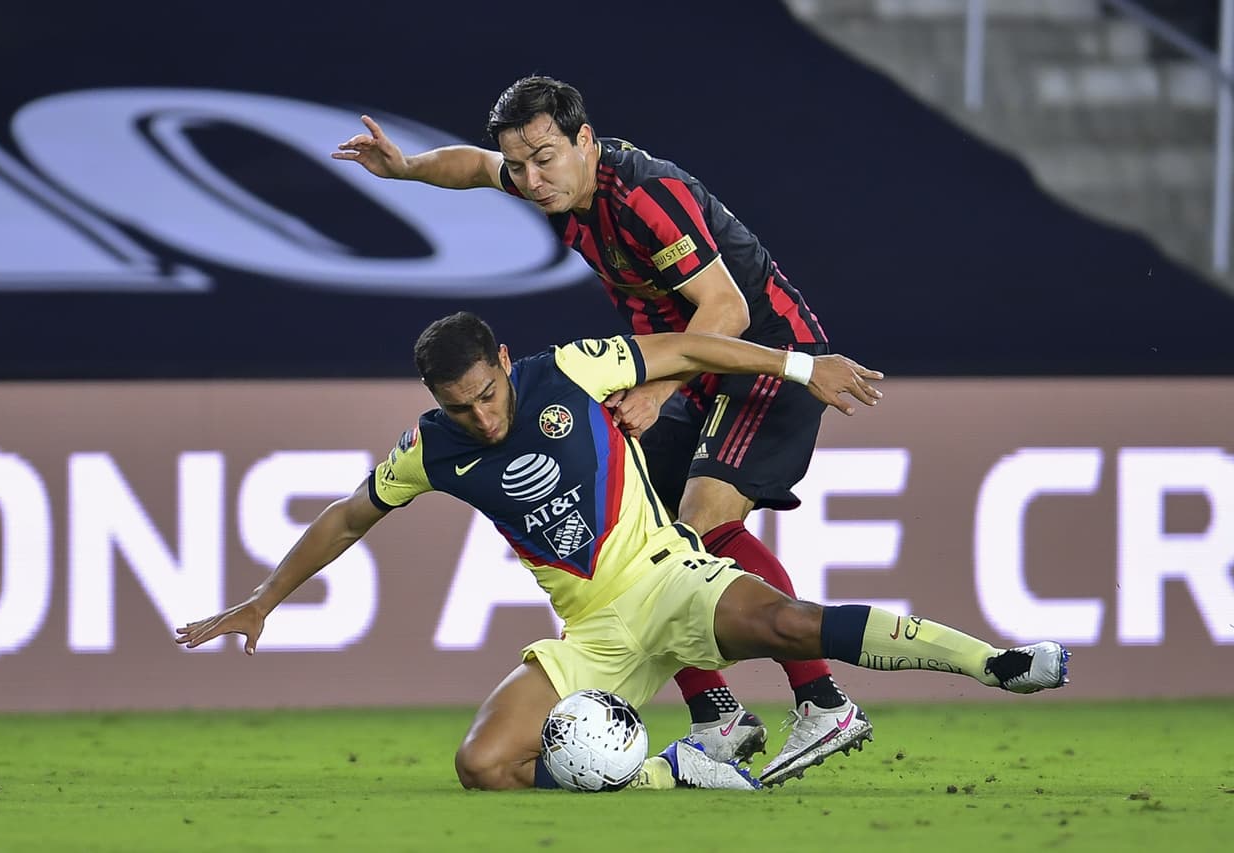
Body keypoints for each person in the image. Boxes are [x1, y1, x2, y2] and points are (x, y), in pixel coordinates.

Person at [176, 313, 1070, 792]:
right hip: (592, 633)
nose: (484, 418)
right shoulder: (431, 448)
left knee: (791, 623)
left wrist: (801, 367)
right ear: (435, 402)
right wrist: (264, 598)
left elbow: (683, 345)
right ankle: (675, 772)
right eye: (463, 408)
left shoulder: (569, 369)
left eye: (488, 394)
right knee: (483, 766)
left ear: (503, 359)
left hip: (666, 579)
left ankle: (1000, 661)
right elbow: (346, 516)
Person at [332, 75, 873, 782]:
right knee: (637, 536)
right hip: (693, 371)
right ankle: (719, 716)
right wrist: (406, 169)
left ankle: (823, 702)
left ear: (586, 141)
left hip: (765, 362)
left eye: (545, 158)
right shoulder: (548, 182)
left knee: (699, 523)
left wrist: (658, 390)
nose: (531, 178)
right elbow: (471, 165)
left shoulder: (645, 196)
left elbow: (726, 309)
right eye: (520, 167)